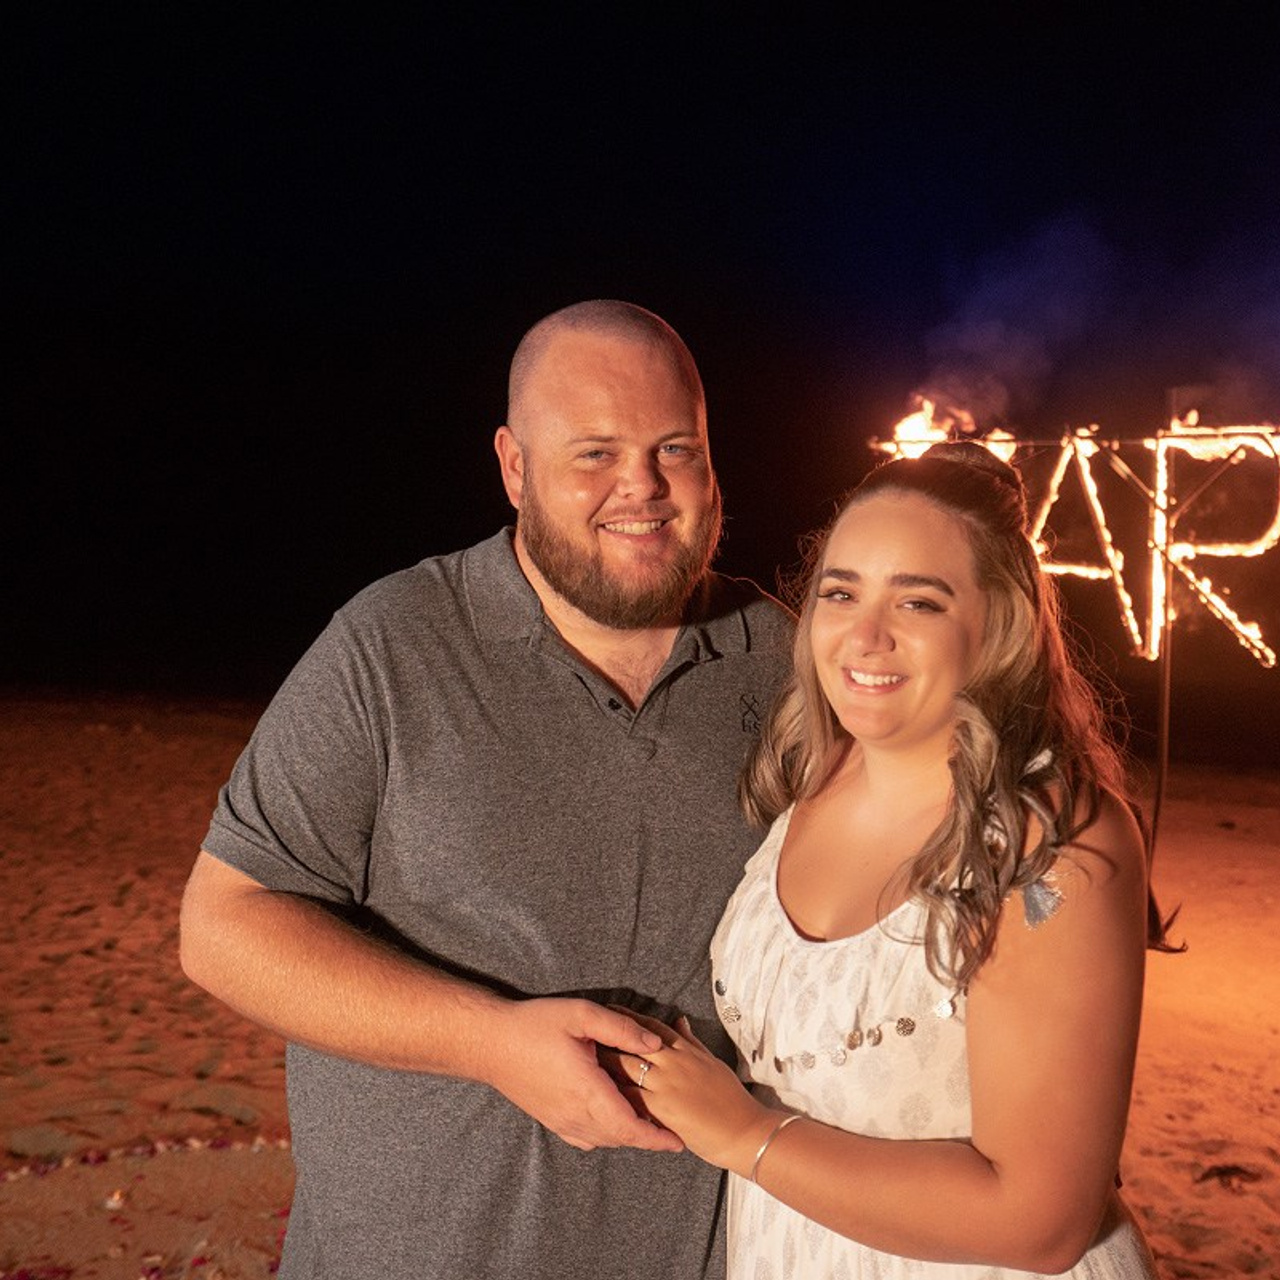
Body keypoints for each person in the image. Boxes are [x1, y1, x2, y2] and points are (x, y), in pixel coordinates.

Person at [178, 300, 793, 1279]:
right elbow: (224, 925)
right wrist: (492, 1041)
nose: (640, 484)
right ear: (512, 466)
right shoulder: (392, 646)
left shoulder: (788, 665)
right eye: (593, 452)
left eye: (674, 447)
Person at [617, 442, 1168, 1278]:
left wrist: (742, 1134)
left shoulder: (1049, 842)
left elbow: (1043, 1222)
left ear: (998, 624)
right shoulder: (811, 776)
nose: (865, 635)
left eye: (919, 601)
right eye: (841, 592)